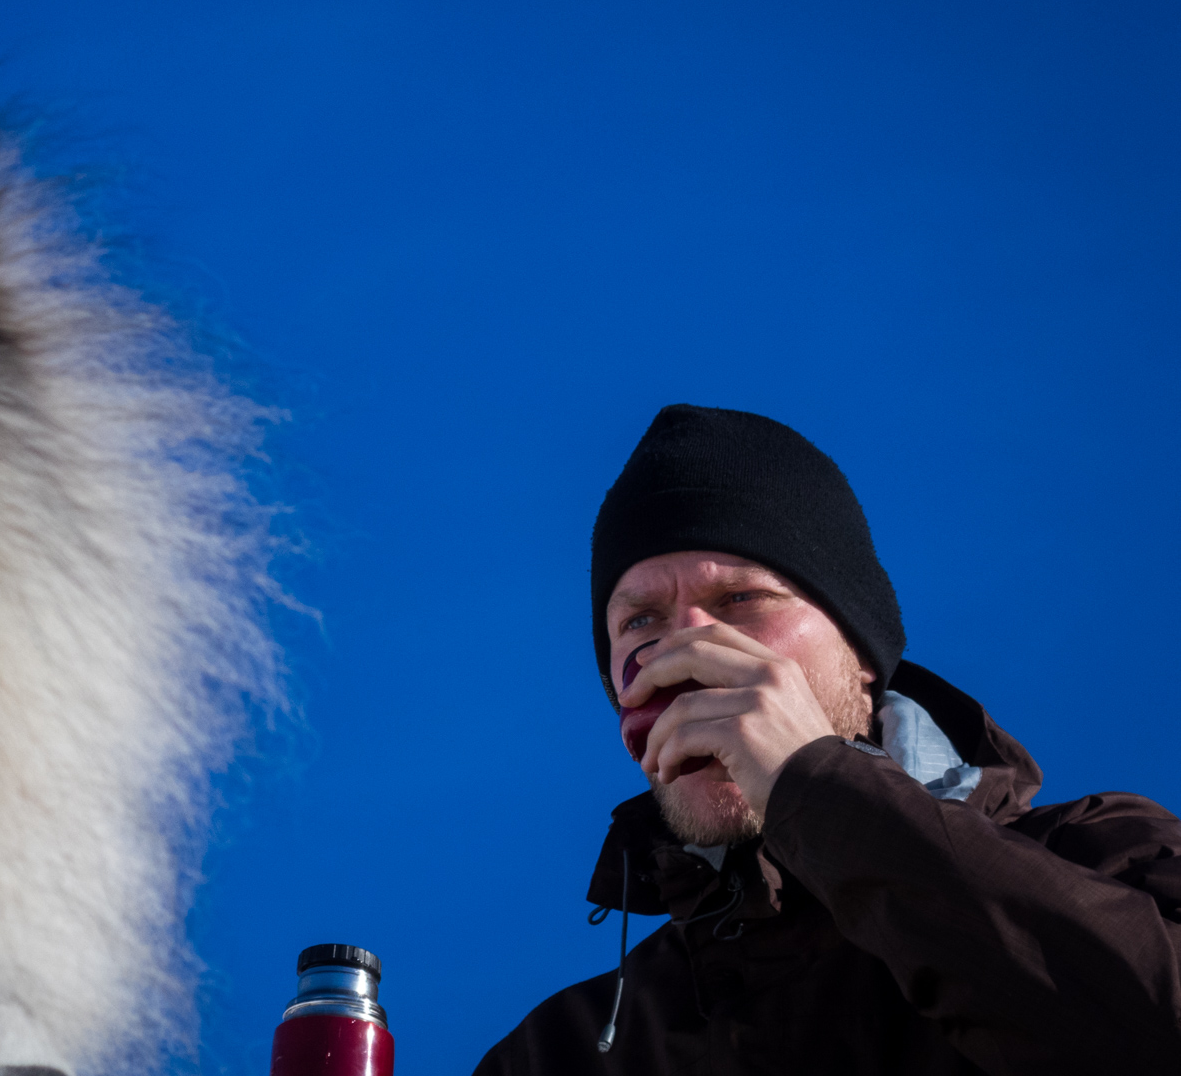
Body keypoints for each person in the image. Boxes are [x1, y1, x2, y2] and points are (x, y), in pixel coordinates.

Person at [473, 404, 1181, 1075]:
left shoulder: (1112, 858)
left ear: (863, 655)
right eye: (640, 623)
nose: (684, 655)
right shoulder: (562, 1052)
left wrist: (813, 783)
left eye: (740, 601)